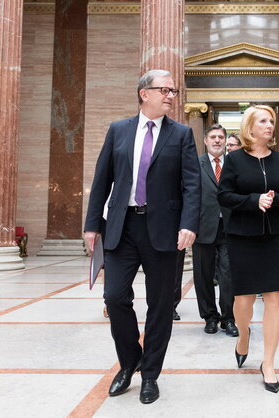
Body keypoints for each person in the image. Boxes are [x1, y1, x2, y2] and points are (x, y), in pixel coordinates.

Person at [84, 69, 200, 404]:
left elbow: (192, 184)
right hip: (122, 227)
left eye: (173, 91)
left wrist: (189, 224)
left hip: (164, 230)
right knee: (115, 298)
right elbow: (102, 178)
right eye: (163, 89)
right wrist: (92, 225)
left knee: (161, 305)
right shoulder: (118, 130)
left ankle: (150, 374)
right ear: (143, 93)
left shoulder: (181, 134)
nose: (170, 95)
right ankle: (130, 360)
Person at [217, 105, 279, 393]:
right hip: (242, 236)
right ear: (250, 127)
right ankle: (243, 336)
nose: (269, 125)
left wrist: (274, 200)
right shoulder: (235, 160)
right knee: (244, 301)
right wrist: (254, 201)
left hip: (275, 235)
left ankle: (269, 363)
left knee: (275, 297)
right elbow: (223, 195)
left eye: (271, 121)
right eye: (263, 121)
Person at [193, 123, 238, 336]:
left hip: (230, 228)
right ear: (206, 140)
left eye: (221, 137)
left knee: (229, 276)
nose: (217, 140)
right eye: (213, 137)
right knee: (203, 275)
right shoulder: (195, 164)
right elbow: (189, 196)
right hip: (203, 227)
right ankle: (209, 317)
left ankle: (228, 318)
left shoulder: (235, 163)